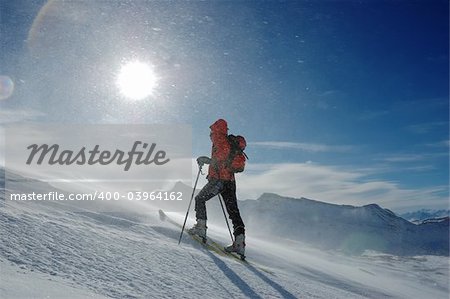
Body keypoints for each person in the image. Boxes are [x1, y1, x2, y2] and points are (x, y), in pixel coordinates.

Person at [188, 119, 246, 256]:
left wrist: (206, 160)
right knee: (234, 213)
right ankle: (239, 243)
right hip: (230, 182)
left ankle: (201, 228)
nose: (210, 133)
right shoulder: (228, 142)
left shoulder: (220, 140)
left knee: (200, 199)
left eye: (212, 130)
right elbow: (225, 160)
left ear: (216, 129)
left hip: (219, 180)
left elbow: (220, 160)